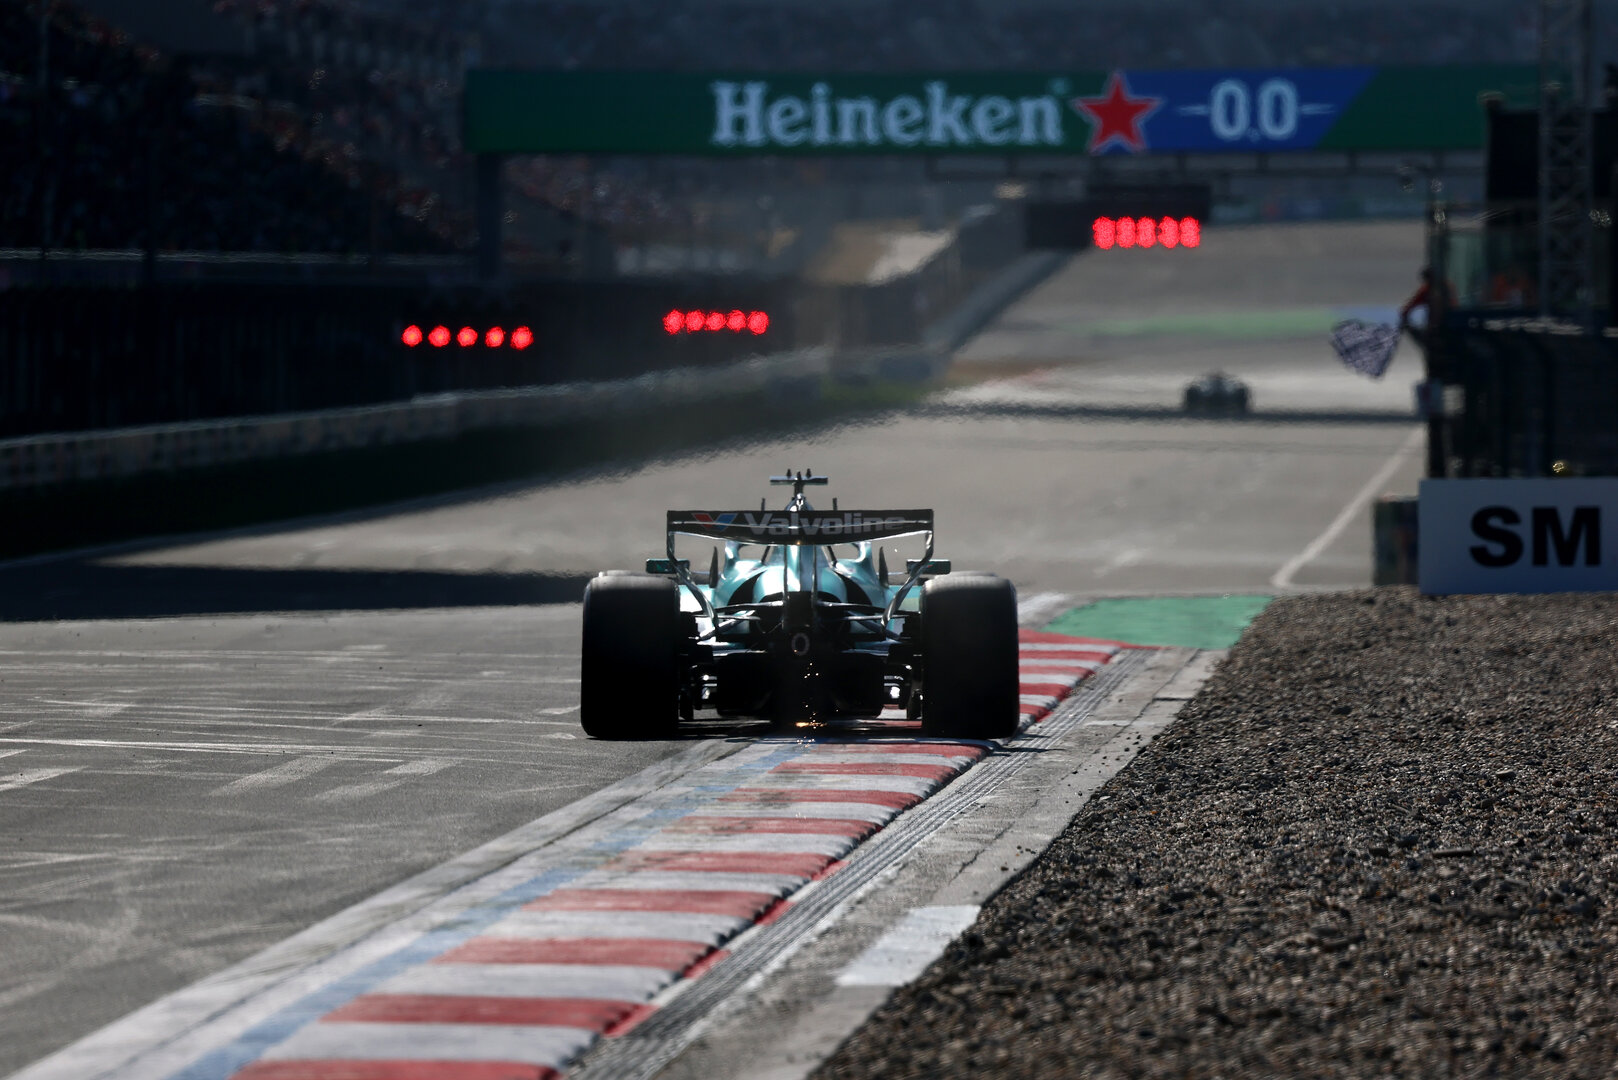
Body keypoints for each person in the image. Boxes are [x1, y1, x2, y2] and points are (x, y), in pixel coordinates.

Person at [1398, 266, 1455, 347]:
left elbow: (1406, 310)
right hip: (1447, 326)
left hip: (1437, 328)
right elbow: (1408, 308)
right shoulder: (1447, 286)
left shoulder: (1428, 289)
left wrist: (1405, 321)